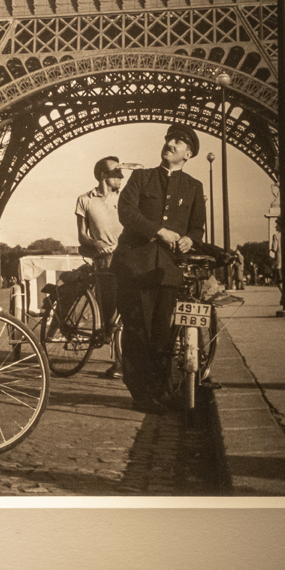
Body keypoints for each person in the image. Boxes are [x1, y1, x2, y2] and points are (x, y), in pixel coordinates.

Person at [111, 123, 207, 412]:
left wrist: (191, 239)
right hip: (135, 266)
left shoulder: (194, 186)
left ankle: (160, 389)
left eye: (179, 142)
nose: (172, 143)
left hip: (167, 271)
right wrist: (159, 231)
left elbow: (197, 228)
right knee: (138, 332)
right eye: (170, 139)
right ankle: (141, 394)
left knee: (162, 335)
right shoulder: (141, 177)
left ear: (188, 154)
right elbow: (126, 212)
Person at [75, 155, 129, 379]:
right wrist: (95, 243)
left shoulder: (126, 198)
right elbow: (81, 236)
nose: (122, 176)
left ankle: (121, 361)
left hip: (126, 257)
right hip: (104, 260)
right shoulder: (84, 199)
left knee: (125, 311)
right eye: (116, 173)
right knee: (110, 313)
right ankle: (117, 360)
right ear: (103, 175)